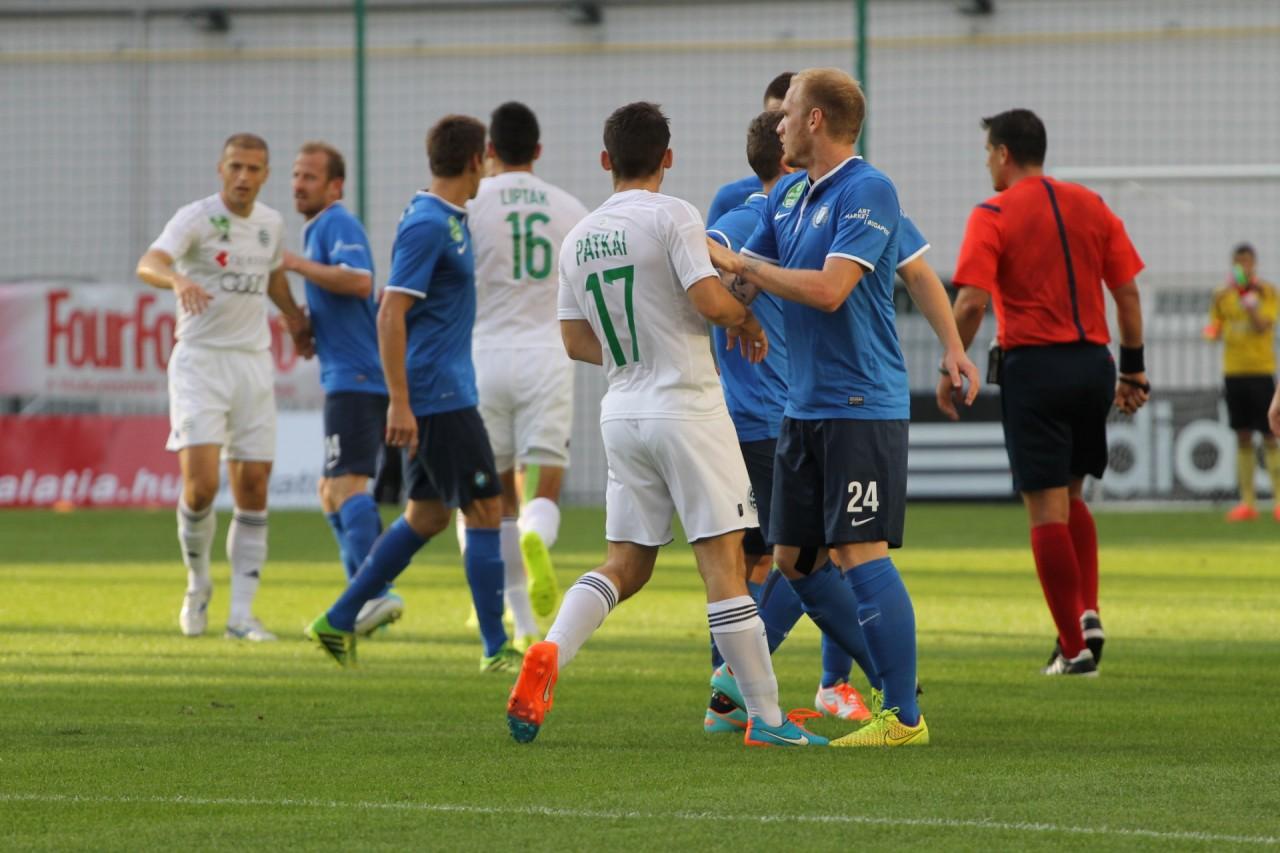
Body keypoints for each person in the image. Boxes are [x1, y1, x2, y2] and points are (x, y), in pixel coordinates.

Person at [506, 101, 826, 748]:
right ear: (667, 158)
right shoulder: (674, 214)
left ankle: (551, 650)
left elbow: (573, 339)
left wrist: (634, 350)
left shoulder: (579, 236)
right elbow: (710, 302)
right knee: (724, 564)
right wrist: (743, 312)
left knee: (625, 563)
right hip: (686, 407)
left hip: (622, 412)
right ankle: (766, 718)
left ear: (606, 159)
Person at [708, 68, 979, 748]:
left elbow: (831, 290)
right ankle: (860, 682)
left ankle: (902, 716)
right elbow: (741, 286)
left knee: (859, 550)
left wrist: (954, 347)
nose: (777, 124)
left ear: (816, 120)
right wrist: (701, 270)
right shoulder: (788, 195)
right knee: (795, 559)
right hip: (801, 407)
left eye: (788, 113)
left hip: (860, 402)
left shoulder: (868, 190)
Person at [306, 116, 519, 673]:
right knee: (485, 507)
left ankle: (338, 619)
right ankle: (496, 647)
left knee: (427, 517)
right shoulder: (427, 223)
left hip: (442, 388)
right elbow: (389, 311)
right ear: (475, 160)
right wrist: (399, 402)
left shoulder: (445, 218)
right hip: (438, 394)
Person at [941, 108, 1149, 676]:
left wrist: (951, 362)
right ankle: (1087, 613)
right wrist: (1133, 372)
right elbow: (1128, 293)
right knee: (1073, 494)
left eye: (988, 152)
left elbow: (971, 302)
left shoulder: (992, 213)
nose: (987, 163)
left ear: (1004, 154)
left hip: (1035, 367)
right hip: (1094, 366)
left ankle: (1073, 648)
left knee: (1044, 510)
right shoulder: (1091, 205)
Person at [136, 132, 312, 642]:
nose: (243, 177)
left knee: (254, 485)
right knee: (202, 487)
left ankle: (241, 616)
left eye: (253, 169)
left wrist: (296, 320)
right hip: (200, 364)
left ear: (265, 175)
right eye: (235, 166)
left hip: (252, 365)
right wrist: (177, 280)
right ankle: (197, 584)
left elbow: (274, 279)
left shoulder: (270, 224)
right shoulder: (196, 218)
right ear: (221, 169)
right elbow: (150, 262)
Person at [458, 102, 590, 647]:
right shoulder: (569, 207)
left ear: (489, 150)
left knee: (490, 500)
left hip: (482, 354)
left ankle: (520, 622)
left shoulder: (468, 203)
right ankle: (538, 534)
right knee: (543, 486)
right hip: (548, 355)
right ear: (537, 151)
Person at [282, 141, 402, 636]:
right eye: (296, 175)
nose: (298, 184)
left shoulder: (337, 223)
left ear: (335, 186)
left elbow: (358, 281)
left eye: (310, 177)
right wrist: (312, 325)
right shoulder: (316, 229)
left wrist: (295, 264)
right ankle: (366, 597)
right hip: (347, 376)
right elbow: (350, 301)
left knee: (347, 487)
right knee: (330, 492)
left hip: (358, 379)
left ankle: (377, 593)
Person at [1203, 243, 1279, 521]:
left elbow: (1263, 326)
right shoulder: (1221, 295)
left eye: (1247, 262)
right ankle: (1248, 503)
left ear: (1254, 264)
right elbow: (1214, 327)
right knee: (1242, 434)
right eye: (1238, 262)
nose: (1243, 267)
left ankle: (1279, 501)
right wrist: (1211, 332)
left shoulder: (1267, 291)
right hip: (1234, 372)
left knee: (1270, 434)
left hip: (1261, 370)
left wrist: (1251, 306)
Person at [705, 72, 793, 225]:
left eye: (788, 118)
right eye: (773, 118)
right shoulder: (731, 198)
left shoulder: (830, 195)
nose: (780, 128)